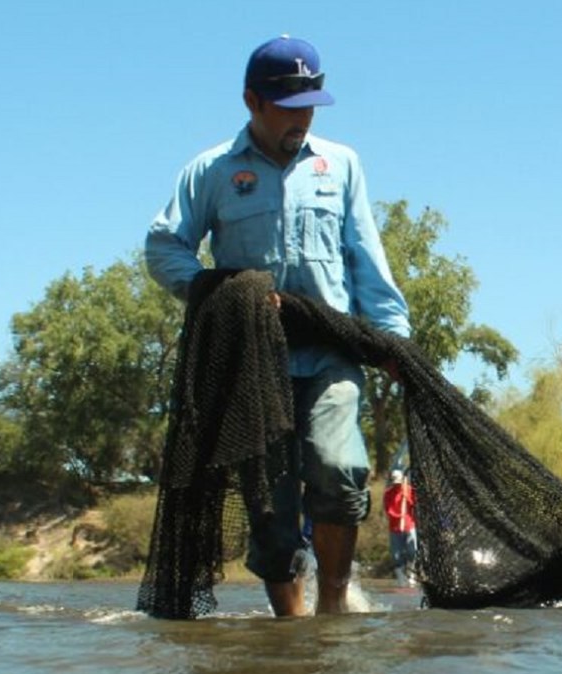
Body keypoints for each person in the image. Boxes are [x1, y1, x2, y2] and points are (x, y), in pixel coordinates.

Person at [145, 36, 410, 617]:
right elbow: (165, 247)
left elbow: (367, 257)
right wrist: (216, 292)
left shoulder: (340, 164)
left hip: (329, 352)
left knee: (340, 471)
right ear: (252, 102)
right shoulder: (211, 171)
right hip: (249, 366)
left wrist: (393, 341)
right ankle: (290, 626)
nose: (302, 116)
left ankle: (333, 611)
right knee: (269, 506)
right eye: (288, 105)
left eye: (311, 103)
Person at [383, 468, 417, 585]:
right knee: (396, 555)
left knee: (412, 551)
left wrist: (407, 498)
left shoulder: (409, 491)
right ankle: (400, 576)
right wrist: (399, 515)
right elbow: (388, 510)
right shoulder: (388, 494)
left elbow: (415, 507)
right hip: (395, 528)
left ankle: (412, 574)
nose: (396, 485)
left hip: (409, 526)